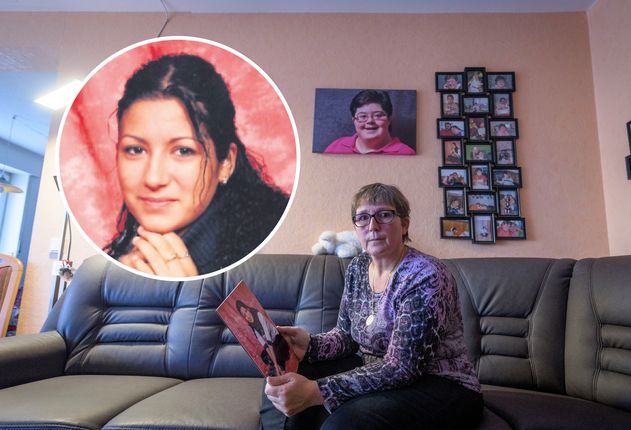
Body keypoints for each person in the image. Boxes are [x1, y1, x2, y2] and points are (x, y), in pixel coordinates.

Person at [242, 183, 482, 430]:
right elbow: (346, 336)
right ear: (356, 227)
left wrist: (317, 391)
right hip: (377, 369)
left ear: (404, 224)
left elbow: (402, 367)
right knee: (284, 370)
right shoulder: (357, 268)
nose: (373, 225)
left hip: (441, 386)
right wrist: (309, 345)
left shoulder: (426, 275)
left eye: (385, 215)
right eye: (363, 217)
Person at [103, 54, 288, 277]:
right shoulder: (123, 258)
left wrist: (193, 293)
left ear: (226, 163)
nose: (153, 178)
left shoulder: (266, 256)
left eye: (183, 151)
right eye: (136, 150)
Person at [325, 90, 415, 154]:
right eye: (363, 116)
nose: (370, 121)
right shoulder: (336, 146)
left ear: (389, 120)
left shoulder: (406, 152)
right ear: (354, 121)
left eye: (378, 115)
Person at [236, 300, 289, 377]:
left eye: (246, 311)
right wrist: (275, 364)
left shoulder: (258, 315)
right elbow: (266, 346)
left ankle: (281, 371)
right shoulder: (252, 326)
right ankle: (277, 368)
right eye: (244, 315)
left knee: (277, 352)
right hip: (270, 344)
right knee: (264, 355)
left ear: (248, 309)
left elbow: (269, 341)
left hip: (276, 338)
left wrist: (276, 367)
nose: (247, 316)